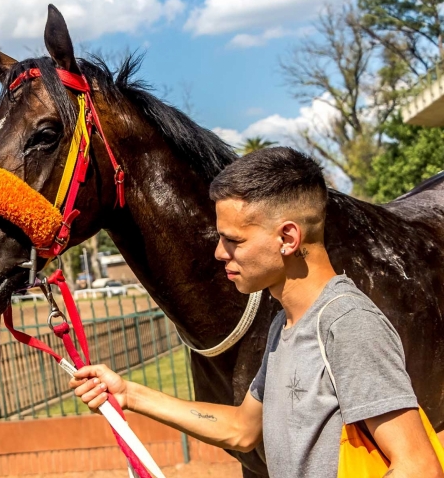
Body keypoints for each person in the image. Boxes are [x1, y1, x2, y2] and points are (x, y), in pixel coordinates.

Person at [70, 147, 443, 477]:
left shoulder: (347, 325)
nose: (219, 253)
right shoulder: (285, 322)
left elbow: (418, 466)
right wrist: (129, 394)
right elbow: (242, 429)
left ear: (288, 238)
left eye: (233, 240)